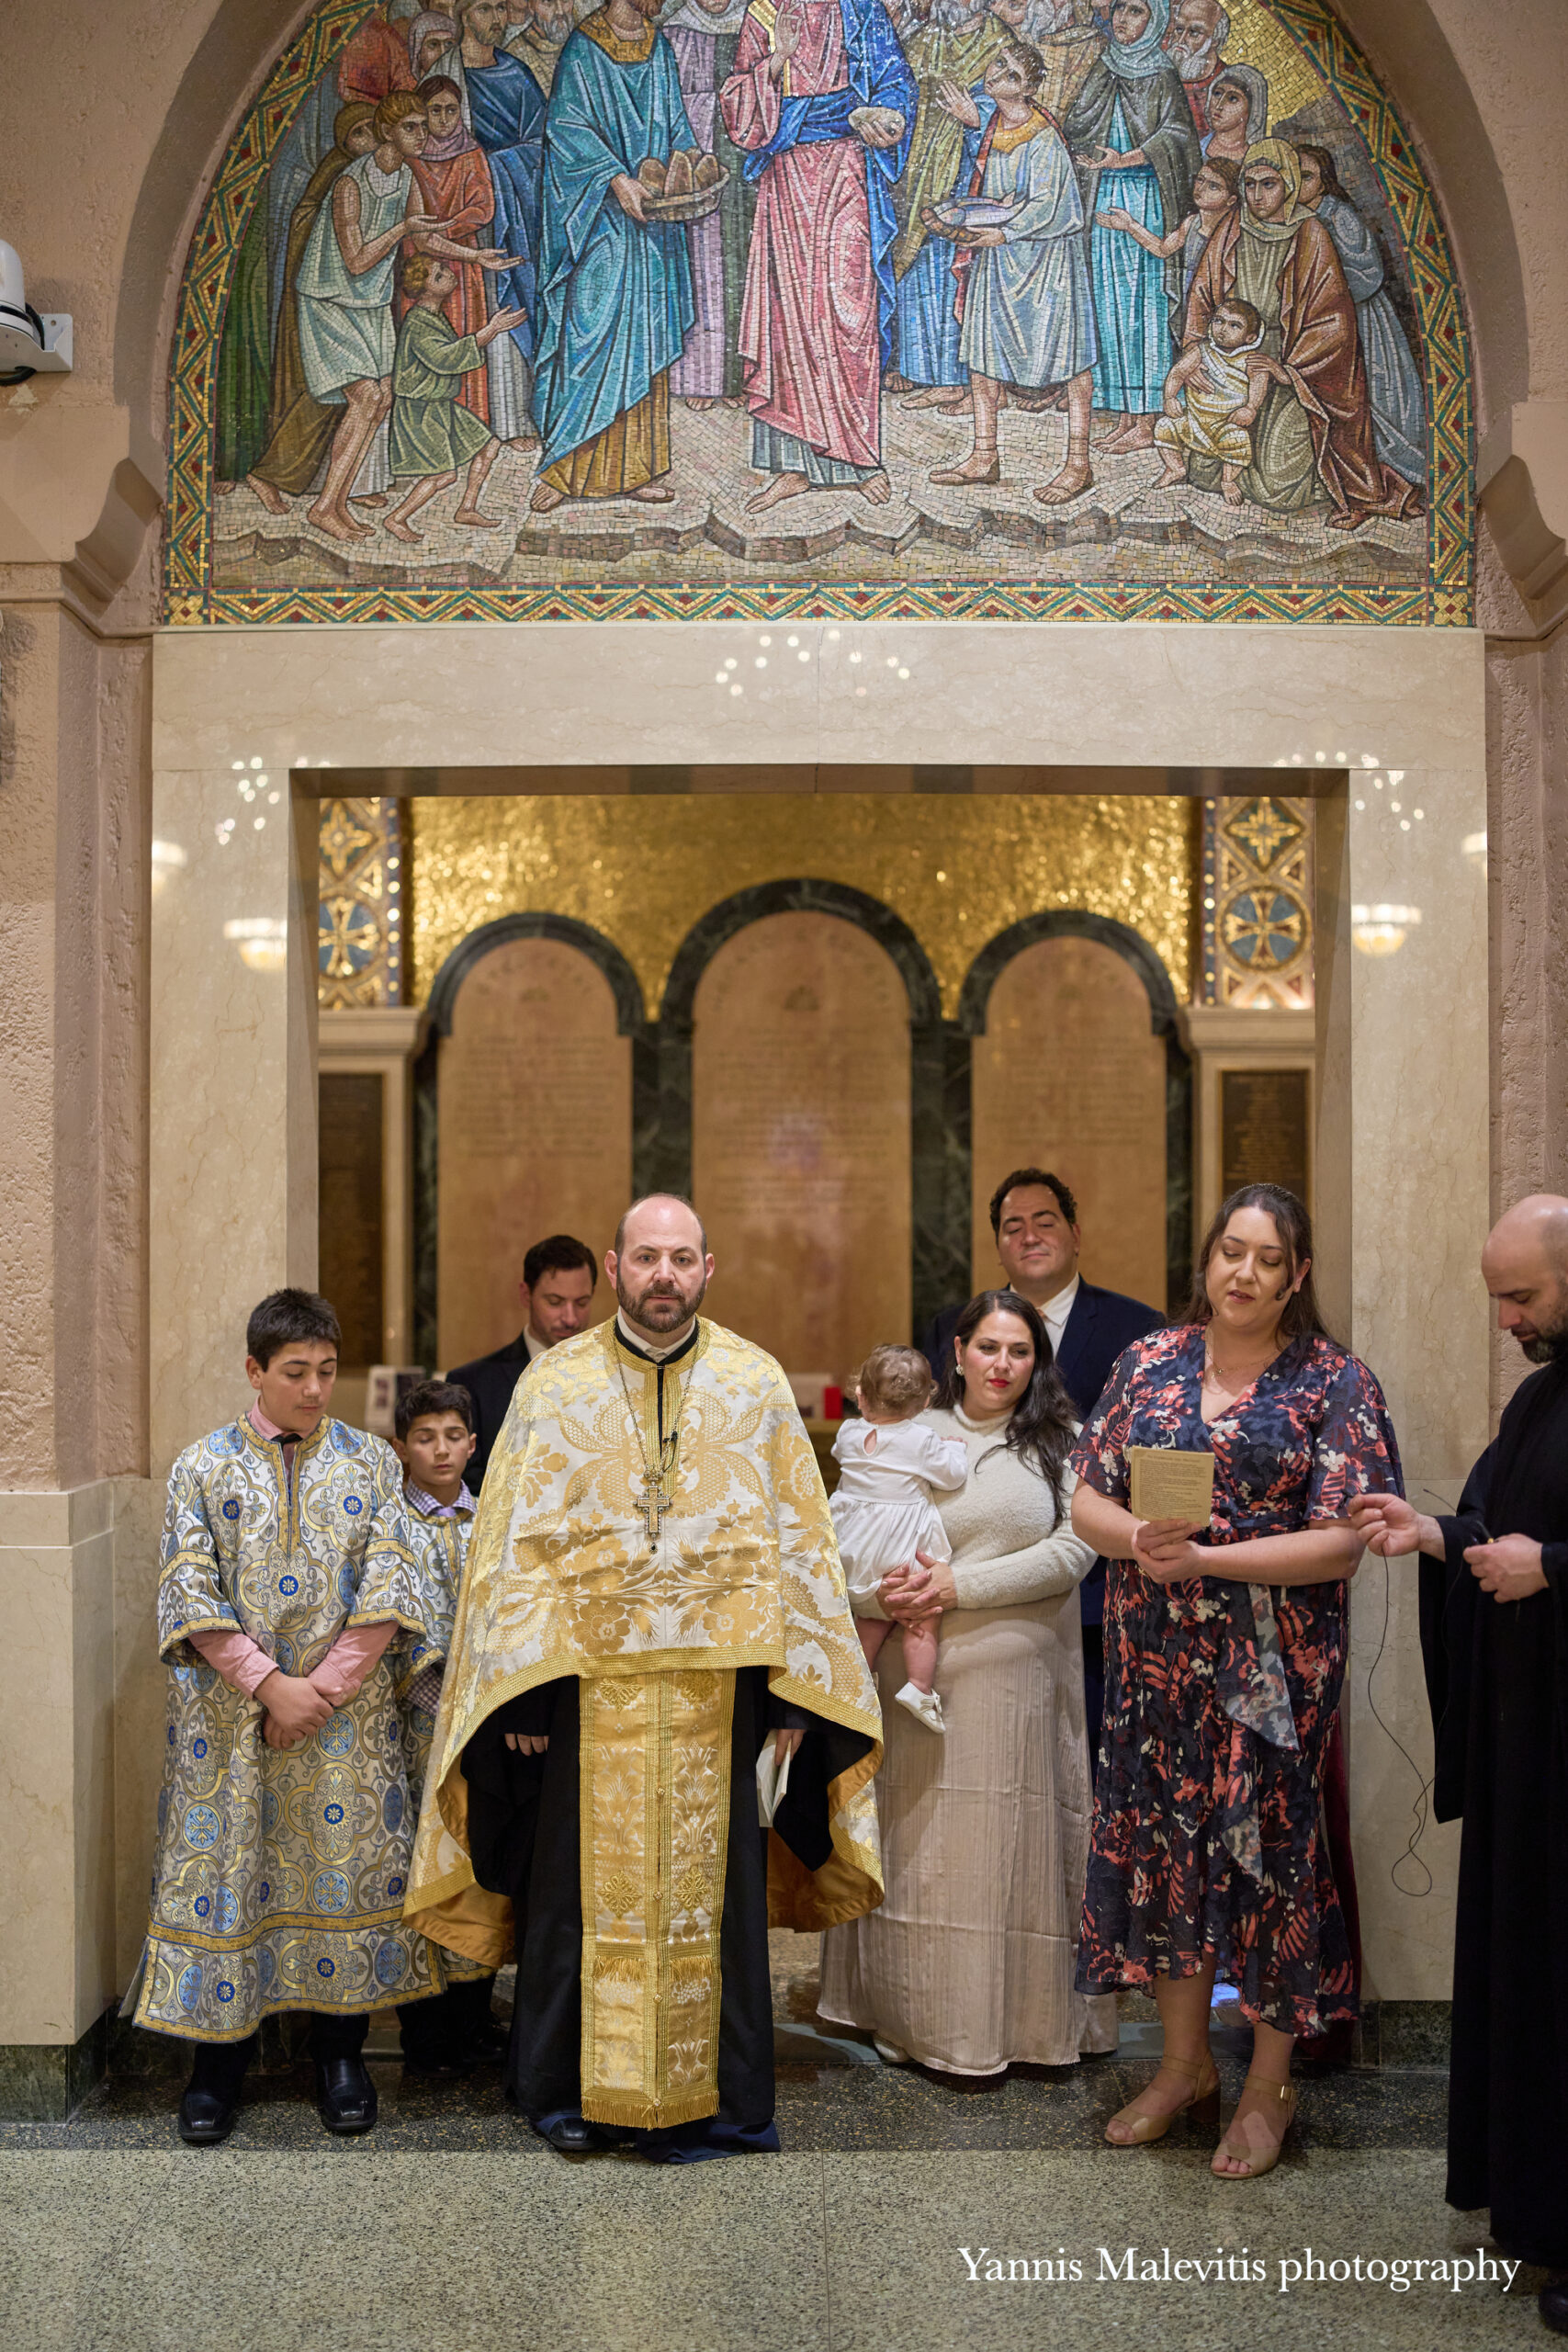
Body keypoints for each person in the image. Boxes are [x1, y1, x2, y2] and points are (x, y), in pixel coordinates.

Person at [404, 1194, 884, 2157]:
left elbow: (799, 1546)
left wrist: (794, 1693)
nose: (664, 1274)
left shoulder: (753, 1381)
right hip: (585, 1696)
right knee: (575, 1892)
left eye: (682, 1258)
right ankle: (569, 2092)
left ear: (709, 1269)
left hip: (722, 1695)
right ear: (616, 1268)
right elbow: (515, 1556)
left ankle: (724, 2099)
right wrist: (526, 1694)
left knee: (719, 1895)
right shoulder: (554, 1387)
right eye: (647, 1257)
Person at [1069, 1184, 1400, 2177]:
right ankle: (1181, 2068)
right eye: (1229, 1251)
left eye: (1265, 1258)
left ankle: (1266, 2086)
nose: (1242, 1273)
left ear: (1296, 1275)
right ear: (1206, 1259)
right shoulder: (1149, 1362)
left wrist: (1209, 1561)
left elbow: (1347, 1540)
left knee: (1271, 1872)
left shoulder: (1333, 1382)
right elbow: (1084, 1489)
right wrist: (1137, 1537)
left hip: (1272, 1682)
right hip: (1153, 1665)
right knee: (1170, 1855)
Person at [123, 1289, 449, 2146]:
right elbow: (187, 1589)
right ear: (254, 1371)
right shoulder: (203, 1466)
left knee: (340, 1869)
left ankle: (339, 2057)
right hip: (233, 1725)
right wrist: (272, 1687)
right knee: (233, 1875)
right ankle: (216, 2068)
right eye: (295, 1372)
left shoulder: (374, 1463)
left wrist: (323, 1693)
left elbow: (391, 1584)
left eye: (327, 1371)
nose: (314, 1389)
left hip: (344, 1725)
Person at [1349, 1195, 1568, 2335]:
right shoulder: (1539, 1396)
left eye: (1520, 1294)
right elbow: (1498, 1524)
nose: (1505, 1318)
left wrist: (1560, 1566)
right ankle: (1543, 2214)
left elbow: (1543, 1549)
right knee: (1533, 1978)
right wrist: (1431, 1532)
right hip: (1534, 1754)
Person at [819, 1288, 1110, 2072]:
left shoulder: (1063, 1440)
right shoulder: (906, 1431)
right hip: (911, 1685)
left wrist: (954, 1587)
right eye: (988, 1348)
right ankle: (905, 2018)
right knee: (922, 1862)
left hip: (1015, 1694)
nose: (1002, 1365)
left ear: (1036, 1361)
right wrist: (876, 1597)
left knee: (998, 1860)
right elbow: (843, 1528)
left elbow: (1072, 1552)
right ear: (957, 1352)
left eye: (1019, 1351)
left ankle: (1014, 2030)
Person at [919, 1167, 1163, 1766]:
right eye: (1012, 1226)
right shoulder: (948, 1325)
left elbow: (1151, 1466)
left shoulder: (1141, 1331)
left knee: (1088, 1775)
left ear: (1075, 1234)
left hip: (1099, 1602)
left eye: (1044, 1221)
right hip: (964, 1608)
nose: (1028, 1235)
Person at [721, 0, 917, 512]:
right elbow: (740, 112)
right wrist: (776, 63)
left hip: (847, 176)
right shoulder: (763, 12)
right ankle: (791, 466)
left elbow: (895, 79)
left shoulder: (863, 10)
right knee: (787, 319)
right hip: (786, 182)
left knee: (848, 311)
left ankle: (856, 455)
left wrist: (889, 114)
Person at [1184, 139, 1423, 526]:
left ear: (1289, 185)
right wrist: (1195, 352)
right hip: (1231, 359)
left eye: (1269, 184)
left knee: (1278, 486)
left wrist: (1286, 371)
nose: (1257, 196)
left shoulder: (1310, 233)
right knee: (1206, 472)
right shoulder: (1232, 228)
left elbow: (1334, 321)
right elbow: (1202, 294)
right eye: (1249, 184)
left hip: (1293, 364)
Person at [528, 0, 697, 509]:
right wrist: (613, 176)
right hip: (598, 219)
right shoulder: (584, 46)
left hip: (653, 227)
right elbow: (565, 128)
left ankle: (636, 470)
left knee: (645, 338)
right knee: (591, 332)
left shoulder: (658, 45)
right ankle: (566, 469)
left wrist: (689, 166)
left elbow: (675, 126)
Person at [387, 1377, 506, 2075]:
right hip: (413, 1728)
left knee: (477, 1862)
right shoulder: (388, 1523)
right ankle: (423, 2029)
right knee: (416, 1863)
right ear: (401, 1446)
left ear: (472, 1442)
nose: (440, 1449)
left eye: (453, 1436)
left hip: (483, 1726)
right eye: (425, 1437)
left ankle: (473, 2015)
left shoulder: (491, 1518)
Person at [919, 40, 1100, 496]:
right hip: (999, 256)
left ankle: (1079, 462)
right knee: (982, 350)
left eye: (1013, 74)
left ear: (1027, 90)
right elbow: (995, 193)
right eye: (1000, 62)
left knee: (1069, 355)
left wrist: (1003, 229)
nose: (998, 73)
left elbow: (1052, 206)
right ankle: (984, 454)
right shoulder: (994, 124)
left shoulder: (1043, 138)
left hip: (1047, 260)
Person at [293, 91, 439, 542]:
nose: (423, 134)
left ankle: (334, 503)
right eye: (411, 126)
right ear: (387, 131)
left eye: (423, 125)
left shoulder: (406, 178)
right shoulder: (350, 184)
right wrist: (402, 229)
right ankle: (325, 507)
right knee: (364, 398)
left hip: (371, 304)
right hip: (331, 299)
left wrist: (477, 257)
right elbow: (356, 259)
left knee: (382, 397)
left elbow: (424, 242)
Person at [1063, 0, 1199, 456]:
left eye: (1137, 11)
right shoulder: (1104, 66)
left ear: (1155, 20)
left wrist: (1125, 158)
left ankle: (1148, 417)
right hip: (1103, 196)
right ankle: (1124, 413)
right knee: (1109, 305)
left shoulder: (1162, 73)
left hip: (1146, 201)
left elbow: (1177, 137)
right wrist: (1087, 150)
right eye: (1120, 8)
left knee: (1144, 308)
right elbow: (1078, 122)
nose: (1124, 20)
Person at [244, 102, 379, 516]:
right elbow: (310, 225)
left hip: (350, 302)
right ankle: (268, 476)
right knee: (326, 395)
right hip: (322, 304)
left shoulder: (367, 175)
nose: (369, 140)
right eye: (360, 133)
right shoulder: (339, 173)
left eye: (374, 131)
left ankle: (343, 486)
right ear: (344, 139)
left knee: (357, 396)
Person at [830, 1343, 969, 1731]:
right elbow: (951, 1476)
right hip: (897, 1544)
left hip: (853, 1541)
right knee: (919, 1612)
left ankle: (860, 1680)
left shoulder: (848, 1431)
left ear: (860, 1396)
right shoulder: (922, 1440)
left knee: (869, 1618)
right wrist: (953, 1450)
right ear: (926, 1403)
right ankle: (919, 1686)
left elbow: (845, 1457)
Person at [431, 0, 548, 447]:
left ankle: (517, 419)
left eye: (501, 7)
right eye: (485, 7)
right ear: (463, 14)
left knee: (514, 303)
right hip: (456, 216)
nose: (496, 19)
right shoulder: (442, 74)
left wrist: (497, 168)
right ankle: (465, 428)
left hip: (513, 212)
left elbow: (541, 140)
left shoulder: (516, 73)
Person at [889, 0, 1005, 414]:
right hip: (916, 173)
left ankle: (956, 379)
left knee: (952, 275)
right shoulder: (924, 39)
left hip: (964, 176)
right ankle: (920, 370)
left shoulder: (999, 42)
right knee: (917, 270)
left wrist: (975, 116)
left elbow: (1016, 106)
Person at [1295, 143, 1427, 492]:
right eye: (1291, 175)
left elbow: (1367, 269)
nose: (1297, 183)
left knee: (1377, 391)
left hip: (1362, 317)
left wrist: (1327, 293)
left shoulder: (1338, 215)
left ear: (1324, 182)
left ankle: (1395, 466)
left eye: (1306, 176)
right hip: (1324, 321)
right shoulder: (1296, 219)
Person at [384, 253, 527, 539]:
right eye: (438, 275)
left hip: (441, 404)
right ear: (425, 288)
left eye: (443, 269)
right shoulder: (418, 322)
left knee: (488, 446)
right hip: (421, 410)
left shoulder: (434, 316)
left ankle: (467, 508)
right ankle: (396, 519)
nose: (448, 274)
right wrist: (490, 331)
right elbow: (445, 359)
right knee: (444, 474)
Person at [662, 0, 758, 412]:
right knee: (701, 269)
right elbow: (663, 103)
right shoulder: (674, 31)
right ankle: (700, 379)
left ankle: (739, 377)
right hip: (695, 161)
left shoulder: (755, 25)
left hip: (746, 160)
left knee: (744, 266)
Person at [446, 1231, 598, 1487]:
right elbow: (466, 1484)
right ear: (526, 1295)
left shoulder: (614, 1377)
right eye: (555, 1302)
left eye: (582, 1302)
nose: (571, 1318)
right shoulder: (471, 1385)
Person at [406, 74, 503, 424]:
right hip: (420, 263)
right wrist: (433, 233)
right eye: (435, 110)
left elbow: (483, 206)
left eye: (451, 109)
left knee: (467, 333)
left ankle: (470, 422)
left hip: (462, 259)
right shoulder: (413, 157)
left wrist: (445, 227)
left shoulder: (471, 151)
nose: (444, 118)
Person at [1153, 293, 1289, 503]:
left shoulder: (1252, 361)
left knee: (1238, 440)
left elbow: (1258, 388)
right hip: (1193, 420)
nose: (1223, 329)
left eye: (1234, 325)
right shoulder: (1202, 351)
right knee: (1164, 426)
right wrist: (1170, 397)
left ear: (1250, 337)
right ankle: (1175, 468)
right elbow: (1178, 372)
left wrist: (1250, 408)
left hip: (1225, 425)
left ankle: (1228, 481)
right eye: (1218, 321)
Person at [1095, 149, 1238, 318]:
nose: (1202, 188)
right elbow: (1163, 249)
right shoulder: (1192, 223)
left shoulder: (1232, 232)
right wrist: (1130, 225)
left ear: (1231, 200)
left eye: (1213, 186)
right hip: (1190, 297)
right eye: (1200, 180)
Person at [1164, 0, 1228, 136]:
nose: (1181, 40)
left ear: (1215, 40)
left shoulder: (1226, 83)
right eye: (1179, 29)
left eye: (1194, 32)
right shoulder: (1157, 70)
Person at [341, 0, 422, 102]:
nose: (415, 31)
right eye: (411, 23)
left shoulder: (398, 46)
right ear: (401, 21)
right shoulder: (383, 39)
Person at [1197, 59, 1264, 164]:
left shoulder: (1255, 162)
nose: (1219, 106)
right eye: (1217, 94)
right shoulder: (1196, 151)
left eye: (1233, 99)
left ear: (1250, 110)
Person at [505, 0, 577, 93]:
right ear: (531, 6)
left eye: (565, 1)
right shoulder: (515, 57)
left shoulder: (581, 45)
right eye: (548, 2)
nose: (560, 11)